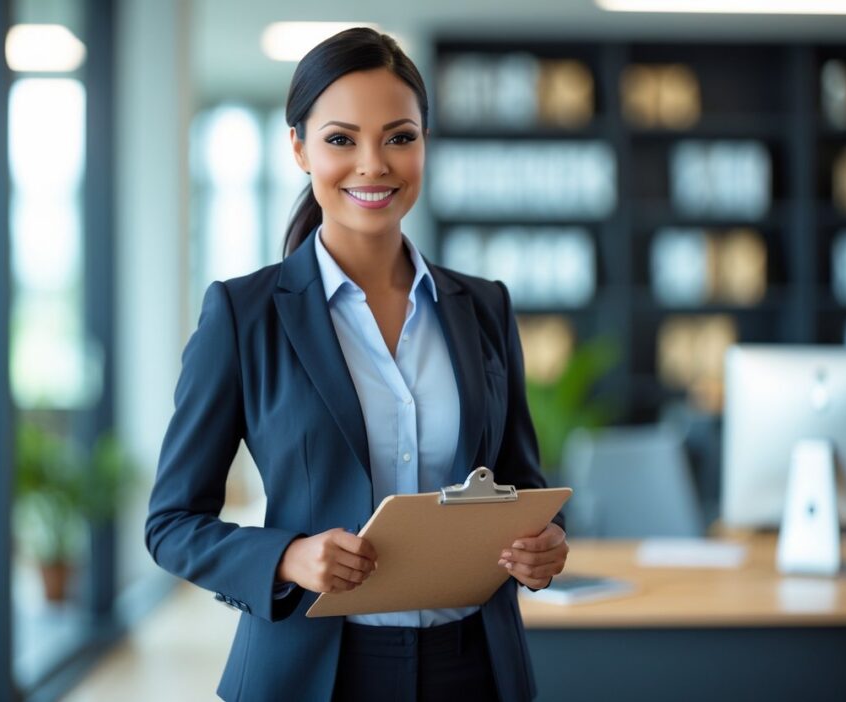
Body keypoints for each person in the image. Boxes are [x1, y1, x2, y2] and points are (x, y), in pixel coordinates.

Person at [145, 27, 568, 702]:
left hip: (473, 670)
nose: (374, 164)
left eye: (400, 136)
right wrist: (286, 557)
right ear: (298, 147)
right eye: (341, 139)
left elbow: (522, 486)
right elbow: (171, 525)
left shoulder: (483, 308)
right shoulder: (244, 314)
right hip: (314, 673)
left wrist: (543, 547)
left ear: (425, 143)